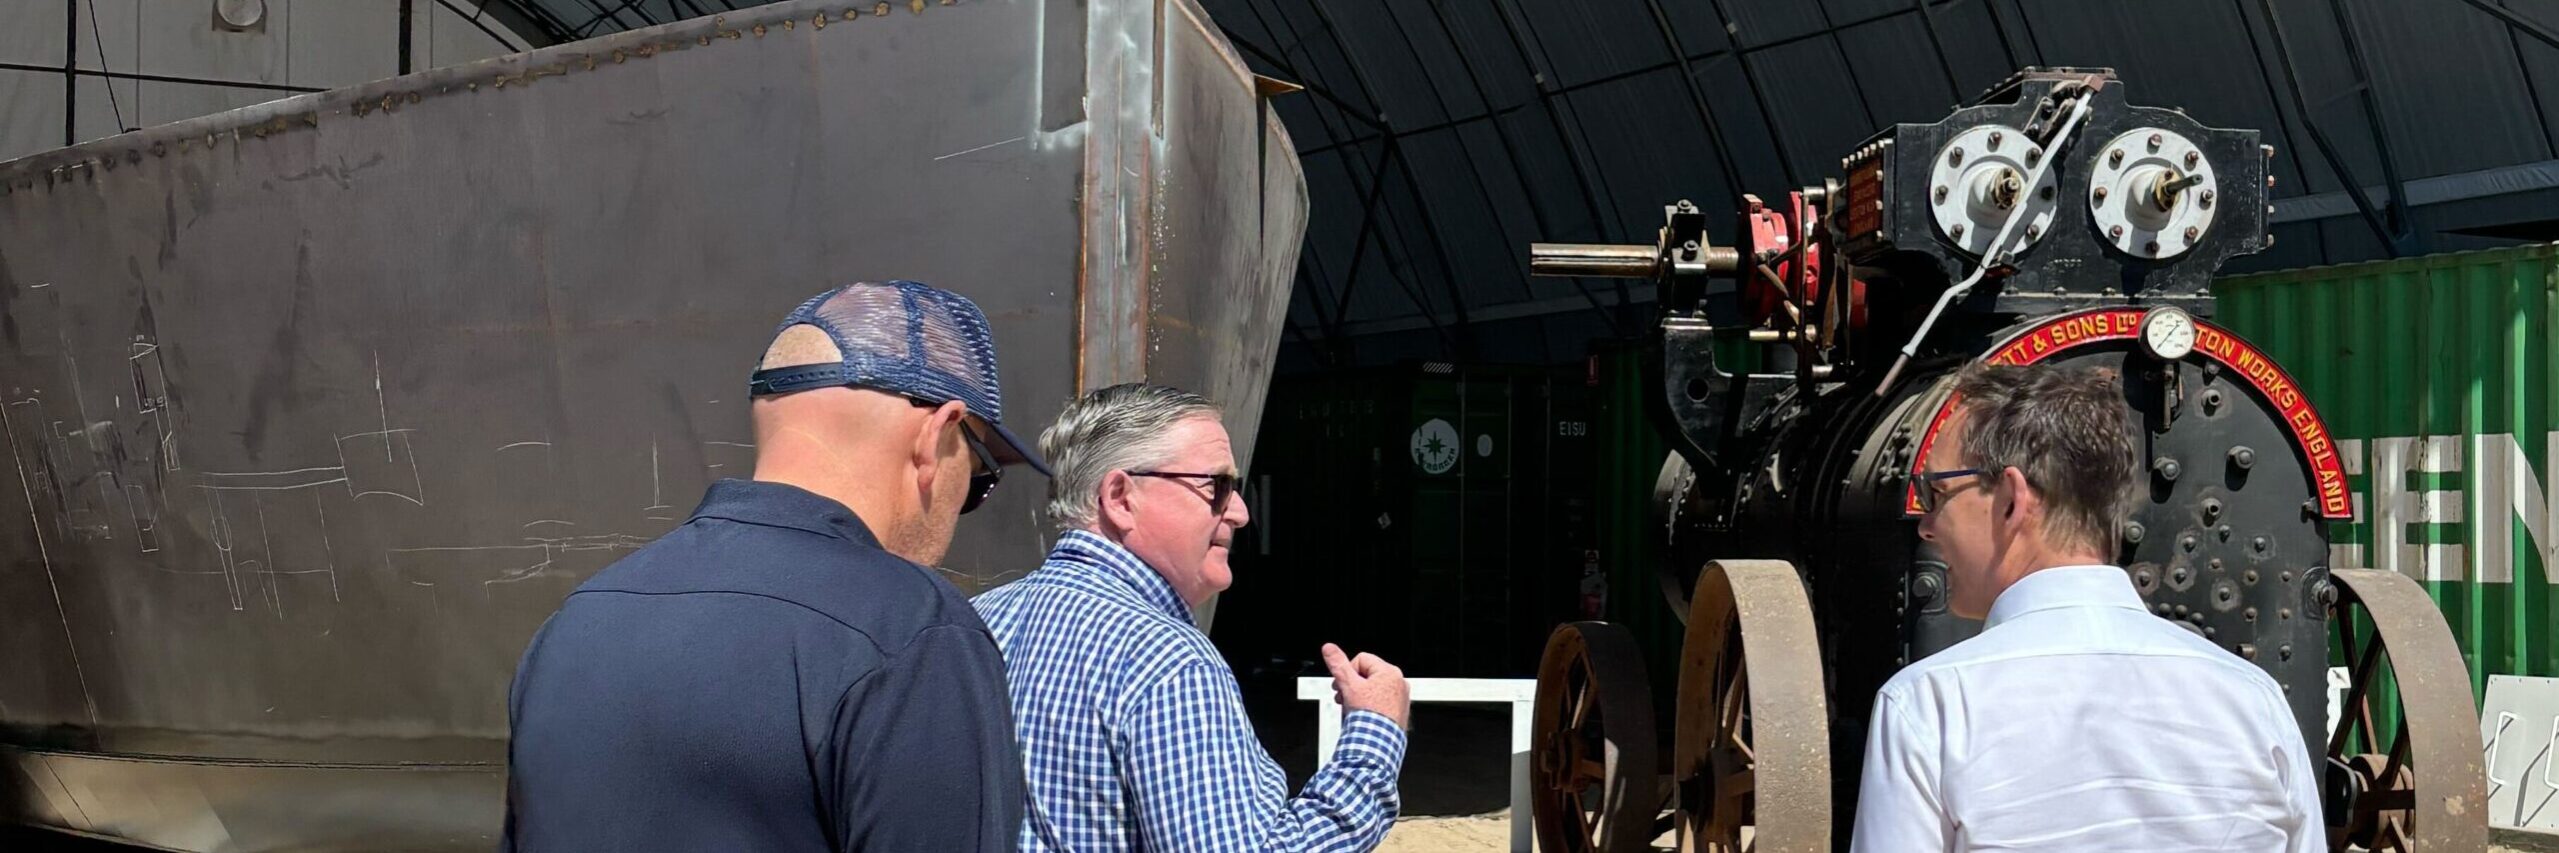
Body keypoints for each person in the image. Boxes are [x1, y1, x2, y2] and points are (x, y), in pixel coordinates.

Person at [503, 280, 1048, 852]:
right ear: (936, 435)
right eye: (980, 472)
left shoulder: (578, 620)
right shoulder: (914, 633)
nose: (968, 499)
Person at [1849, 363, 2323, 852]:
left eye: (1938, 493)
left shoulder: (1928, 706)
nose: (1926, 524)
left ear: (2012, 500)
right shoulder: (2255, 701)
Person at [974, 383, 1410, 851]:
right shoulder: (1167, 660)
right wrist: (1374, 735)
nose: (1239, 512)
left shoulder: (979, 618)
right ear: (1121, 497)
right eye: (1217, 486)